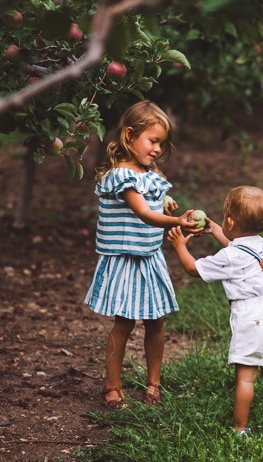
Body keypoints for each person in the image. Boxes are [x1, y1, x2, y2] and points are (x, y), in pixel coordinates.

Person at [85, 100, 201, 409]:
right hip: (125, 259)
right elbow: (141, 212)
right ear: (129, 135)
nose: (157, 149)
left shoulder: (147, 174)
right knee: (124, 323)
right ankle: (112, 386)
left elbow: (151, 198)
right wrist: (175, 221)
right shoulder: (121, 176)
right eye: (153, 141)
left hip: (149, 258)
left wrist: (165, 201)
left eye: (162, 144)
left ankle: (153, 383)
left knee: (157, 321)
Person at [167, 185, 263, 437]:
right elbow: (238, 248)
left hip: (252, 318)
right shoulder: (262, 246)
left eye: (223, 219)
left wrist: (180, 246)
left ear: (231, 222)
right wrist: (214, 228)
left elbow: (194, 269)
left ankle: (240, 428)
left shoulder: (230, 257)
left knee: (246, 378)